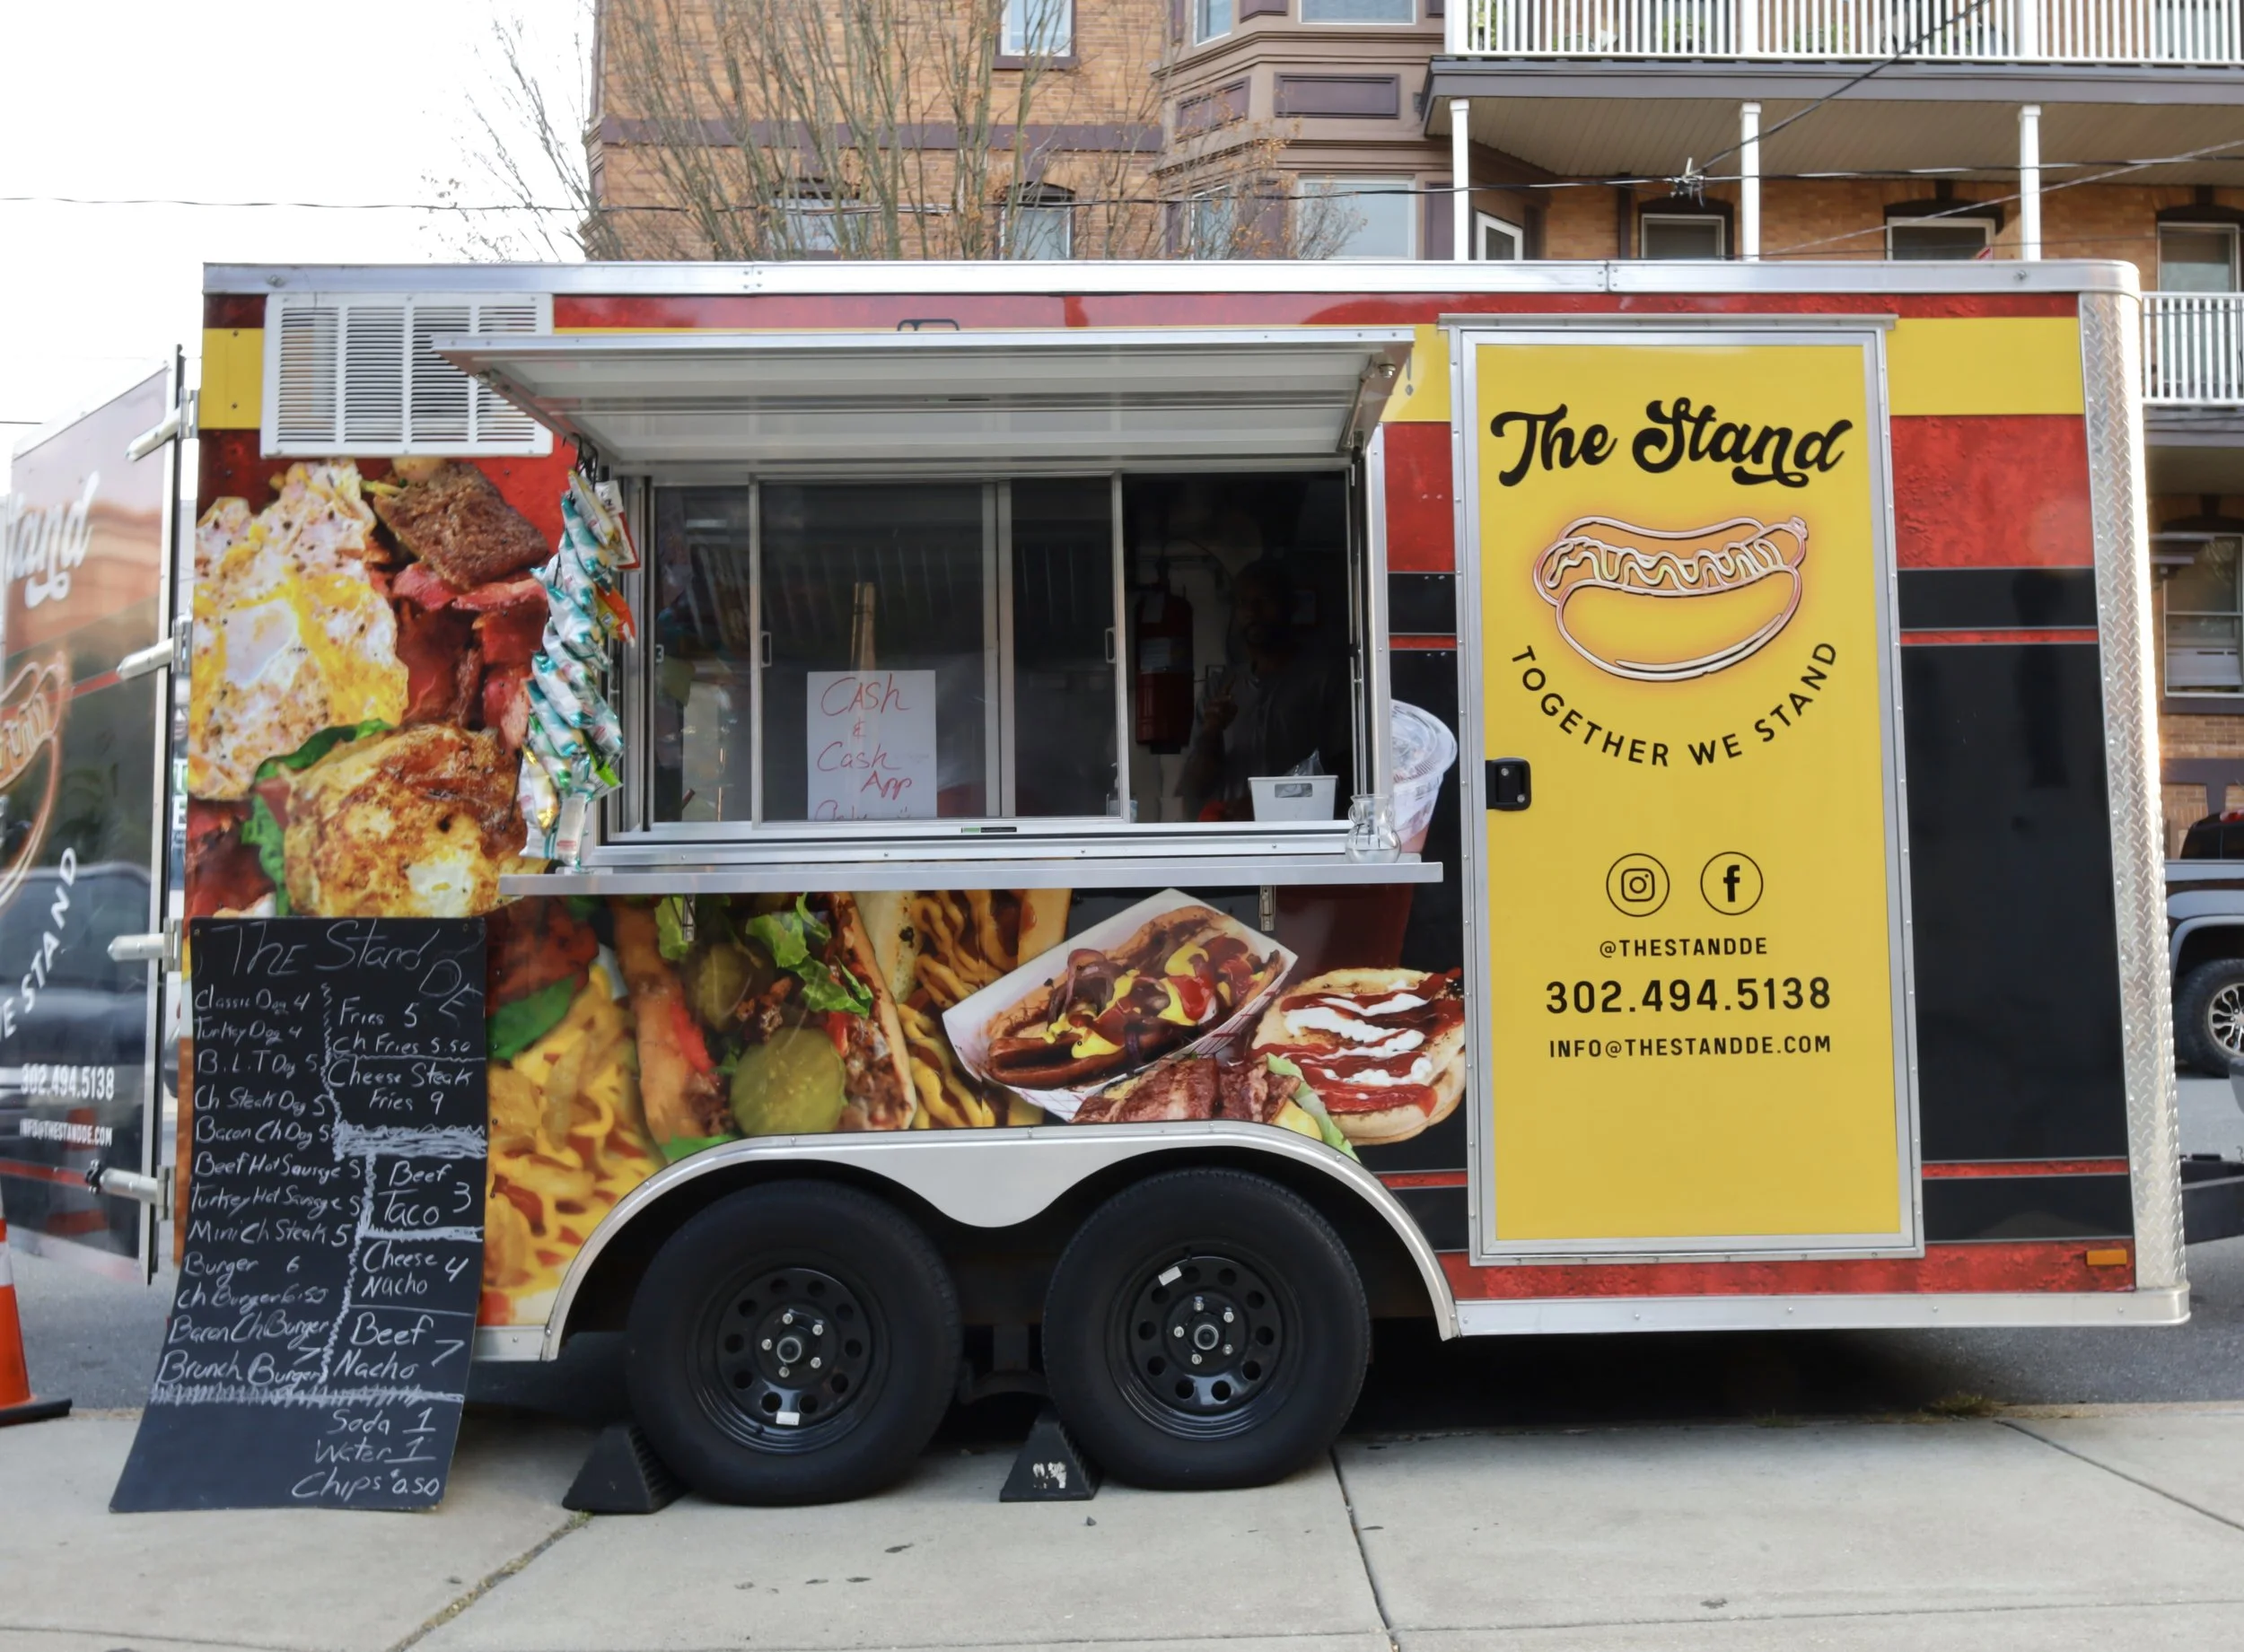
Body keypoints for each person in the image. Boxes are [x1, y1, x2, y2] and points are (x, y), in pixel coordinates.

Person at [1180, 557, 1353, 821]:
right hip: (1232, 839)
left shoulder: (1325, 680)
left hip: (1302, 838)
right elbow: (1195, 788)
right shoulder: (1221, 686)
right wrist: (1211, 732)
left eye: (1265, 600)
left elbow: (1346, 770)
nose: (1253, 611)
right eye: (1242, 603)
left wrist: (1268, 803)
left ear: (1291, 607)